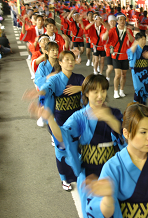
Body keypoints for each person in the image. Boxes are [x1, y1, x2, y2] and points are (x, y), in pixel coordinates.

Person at [29, 74, 125, 217]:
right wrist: (50, 118)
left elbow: (123, 133)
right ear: (86, 93)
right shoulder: (79, 116)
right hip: (90, 170)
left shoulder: (114, 113)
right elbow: (63, 136)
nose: (100, 95)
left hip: (111, 168)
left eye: (103, 91)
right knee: (93, 210)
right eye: (95, 92)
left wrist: (108, 118)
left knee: (115, 206)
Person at [24, 51, 85, 191]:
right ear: (61, 62)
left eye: (72, 59)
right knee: (62, 150)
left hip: (77, 119)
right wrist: (39, 92)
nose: (70, 62)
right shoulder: (55, 79)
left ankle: (77, 174)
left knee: (78, 147)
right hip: (60, 119)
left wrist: (81, 87)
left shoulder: (79, 78)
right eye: (67, 60)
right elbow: (47, 87)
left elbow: (93, 87)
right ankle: (65, 179)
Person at [102, 13, 134, 99]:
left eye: (124, 20)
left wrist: (129, 34)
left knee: (124, 75)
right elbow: (104, 39)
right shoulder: (113, 30)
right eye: (120, 20)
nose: (122, 21)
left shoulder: (128, 30)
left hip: (125, 56)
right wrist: (107, 30)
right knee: (118, 75)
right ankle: (116, 91)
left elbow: (132, 41)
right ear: (117, 21)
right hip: (115, 56)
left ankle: (121, 90)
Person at [127, 33, 148, 104]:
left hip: (146, 72)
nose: (143, 41)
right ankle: (135, 105)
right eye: (142, 39)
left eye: (145, 39)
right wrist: (134, 47)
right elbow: (130, 54)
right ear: (137, 40)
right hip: (136, 72)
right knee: (138, 89)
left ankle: (142, 106)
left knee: (146, 90)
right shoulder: (134, 49)